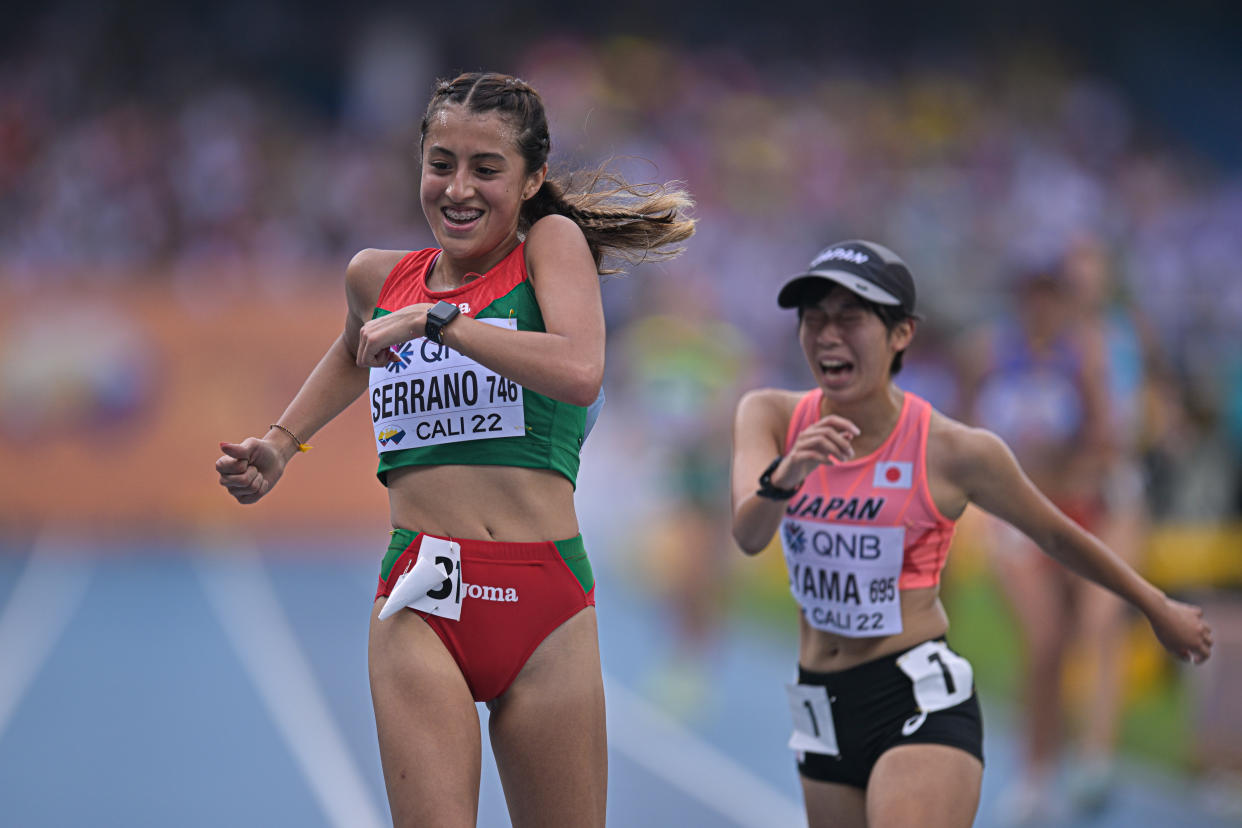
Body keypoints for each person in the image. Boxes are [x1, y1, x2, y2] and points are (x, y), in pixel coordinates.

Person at [214, 71, 694, 827]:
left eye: (486, 168)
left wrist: (439, 323)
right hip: (422, 596)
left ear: (533, 179)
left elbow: (579, 369)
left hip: (547, 603)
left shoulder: (550, 246)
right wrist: (281, 443)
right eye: (441, 164)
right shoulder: (378, 277)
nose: (457, 187)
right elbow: (352, 352)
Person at [729, 239, 1213, 828]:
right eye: (815, 319)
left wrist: (1156, 606)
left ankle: (1079, 758)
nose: (828, 335)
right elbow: (749, 534)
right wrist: (788, 474)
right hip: (819, 708)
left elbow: (1055, 534)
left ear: (901, 333)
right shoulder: (771, 416)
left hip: (915, 700)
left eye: (850, 319)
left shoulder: (956, 449)